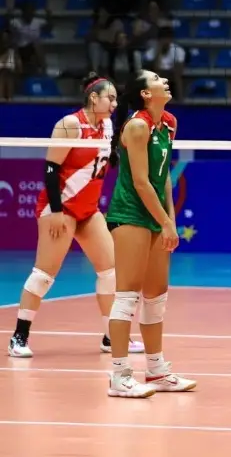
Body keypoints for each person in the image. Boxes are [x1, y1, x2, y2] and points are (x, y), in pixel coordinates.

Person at [7, 72, 145, 358]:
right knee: (43, 275)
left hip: (88, 210)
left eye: (117, 99)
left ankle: (111, 337)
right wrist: (56, 212)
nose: (114, 104)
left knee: (111, 272)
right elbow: (50, 170)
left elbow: (110, 160)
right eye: (110, 98)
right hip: (60, 208)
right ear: (93, 98)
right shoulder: (70, 125)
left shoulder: (108, 126)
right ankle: (18, 337)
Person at [105, 70, 195, 398]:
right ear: (145, 93)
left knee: (156, 297)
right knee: (127, 297)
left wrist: (168, 219)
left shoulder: (168, 122)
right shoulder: (137, 126)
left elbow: (163, 177)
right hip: (130, 214)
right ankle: (119, 376)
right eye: (156, 78)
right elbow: (141, 183)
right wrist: (166, 223)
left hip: (156, 217)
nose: (165, 80)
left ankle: (156, 370)